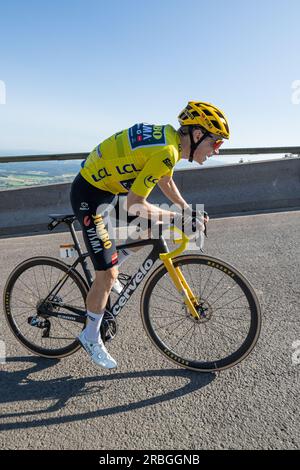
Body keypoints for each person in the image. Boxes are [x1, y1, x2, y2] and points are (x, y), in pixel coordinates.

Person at [70, 101, 230, 369]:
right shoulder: (167, 150)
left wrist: (187, 209)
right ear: (198, 134)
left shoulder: (171, 141)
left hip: (111, 189)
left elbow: (164, 180)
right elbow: (135, 204)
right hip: (89, 195)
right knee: (106, 275)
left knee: (152, 226)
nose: (216, 151)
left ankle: (115, 261)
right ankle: (90, 335)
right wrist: (179, 217)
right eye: (216, 143)